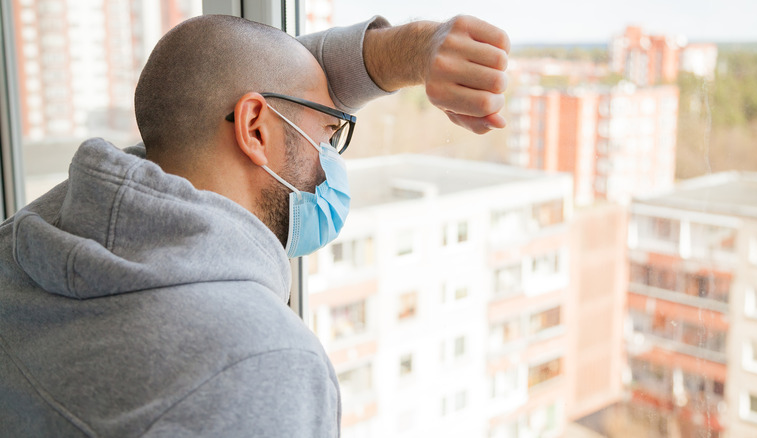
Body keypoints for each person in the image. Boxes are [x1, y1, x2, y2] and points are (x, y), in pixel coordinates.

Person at [0, 13, 509, 437]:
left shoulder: (34, 236)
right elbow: (241, 72)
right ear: (255, 130)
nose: (329, 158)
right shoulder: (263, 361)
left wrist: (419, 53)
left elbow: (213, 78)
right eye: (329, 132)